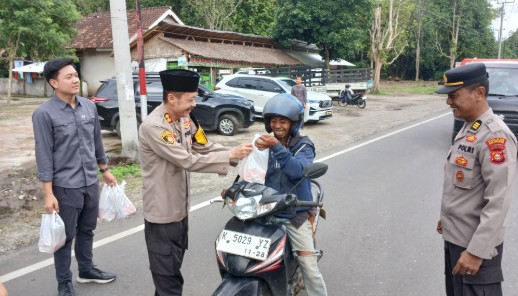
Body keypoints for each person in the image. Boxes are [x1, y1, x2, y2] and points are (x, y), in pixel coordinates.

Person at [138, 69, 253, 296]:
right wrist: (229, 155)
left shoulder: (185, 120)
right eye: (190, 99)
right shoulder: (156, 127)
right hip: (162, 216)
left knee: (171, 273)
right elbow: (187, 160)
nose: (194, 104)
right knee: (168, 281)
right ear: (172, 98)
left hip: (180, 211)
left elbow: (204, 145)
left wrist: (241, 150)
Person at [32, 58, 118, 296]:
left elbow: (96, 142)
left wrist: (105, 170)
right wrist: (48, 194)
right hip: (65, 186)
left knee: (87, 229)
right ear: (53, 82)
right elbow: (44, 155)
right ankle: (64, 282)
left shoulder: (88, 107)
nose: (75, 79)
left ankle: (87, 270)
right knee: (64, 237)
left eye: (76, 75)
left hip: (90, 181)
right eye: (68, 76)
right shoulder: (44, 114)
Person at [435, 63, 517, 296]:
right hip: (457, 239)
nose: (449, 102)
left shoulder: (495, 136)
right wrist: (447, 218)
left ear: (479, 93)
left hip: (474, 248)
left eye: (454, 96)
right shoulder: (470, 127)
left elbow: (498, 201)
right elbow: (462, 186)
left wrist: (477, 251)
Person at [255, 93, 328, 296]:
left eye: (283, 121)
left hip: (294, 213)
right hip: (266, 209)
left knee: (309, 266)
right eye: (273, 120)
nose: (277, 125)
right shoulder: (265, 143)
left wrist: (276, 147)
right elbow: (253, 172)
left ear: (293, 123)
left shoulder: (304, 145)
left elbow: (297, 171)